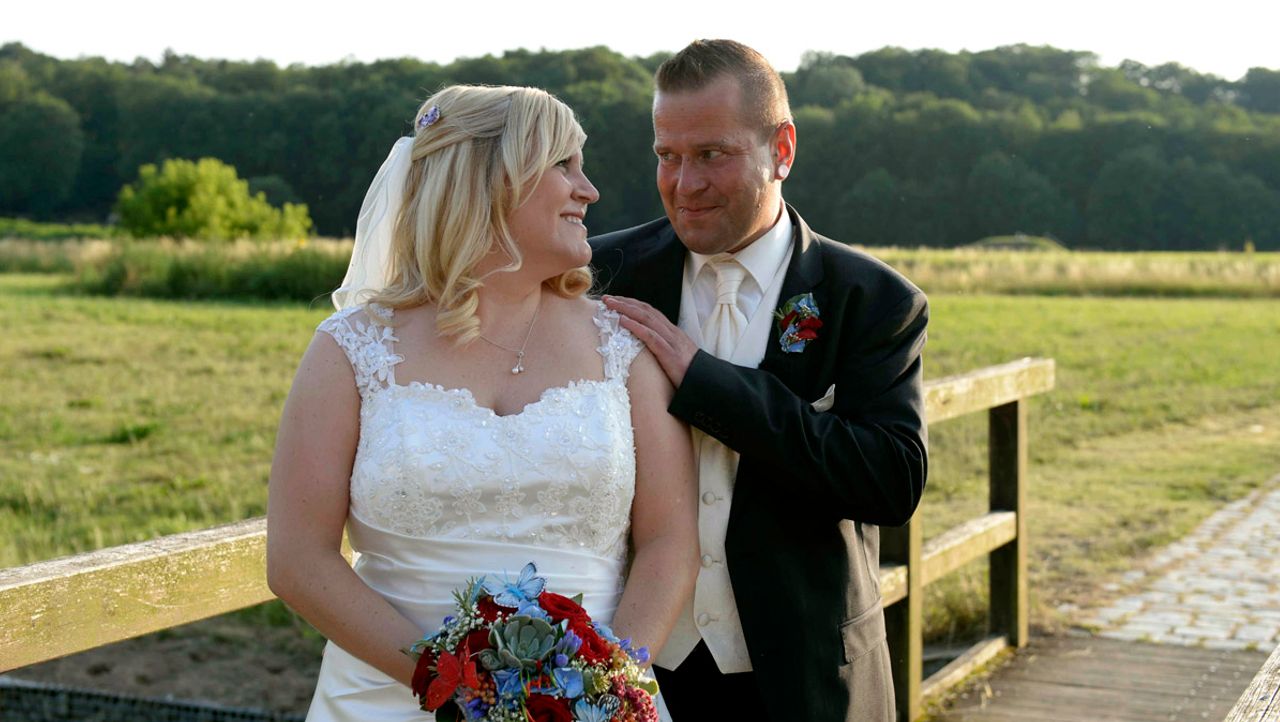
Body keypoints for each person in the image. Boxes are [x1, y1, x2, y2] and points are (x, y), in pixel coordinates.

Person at [267, 85, 698, 721]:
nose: (589, 190)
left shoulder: (622, 347)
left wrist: (604, 685)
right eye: (563, 165)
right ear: (489, 180)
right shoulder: (350, 349)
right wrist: (456, 684)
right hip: (385, 700)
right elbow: (298, 560)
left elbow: (669, 542)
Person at [591, 40, 929, 722]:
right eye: (668, 155)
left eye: (712, 154)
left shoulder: (871, 299)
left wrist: (708, 383)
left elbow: (891, 481)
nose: (685, 184)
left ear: (783, 149)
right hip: (638, 675)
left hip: (805, 681)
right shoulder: (602, 274)